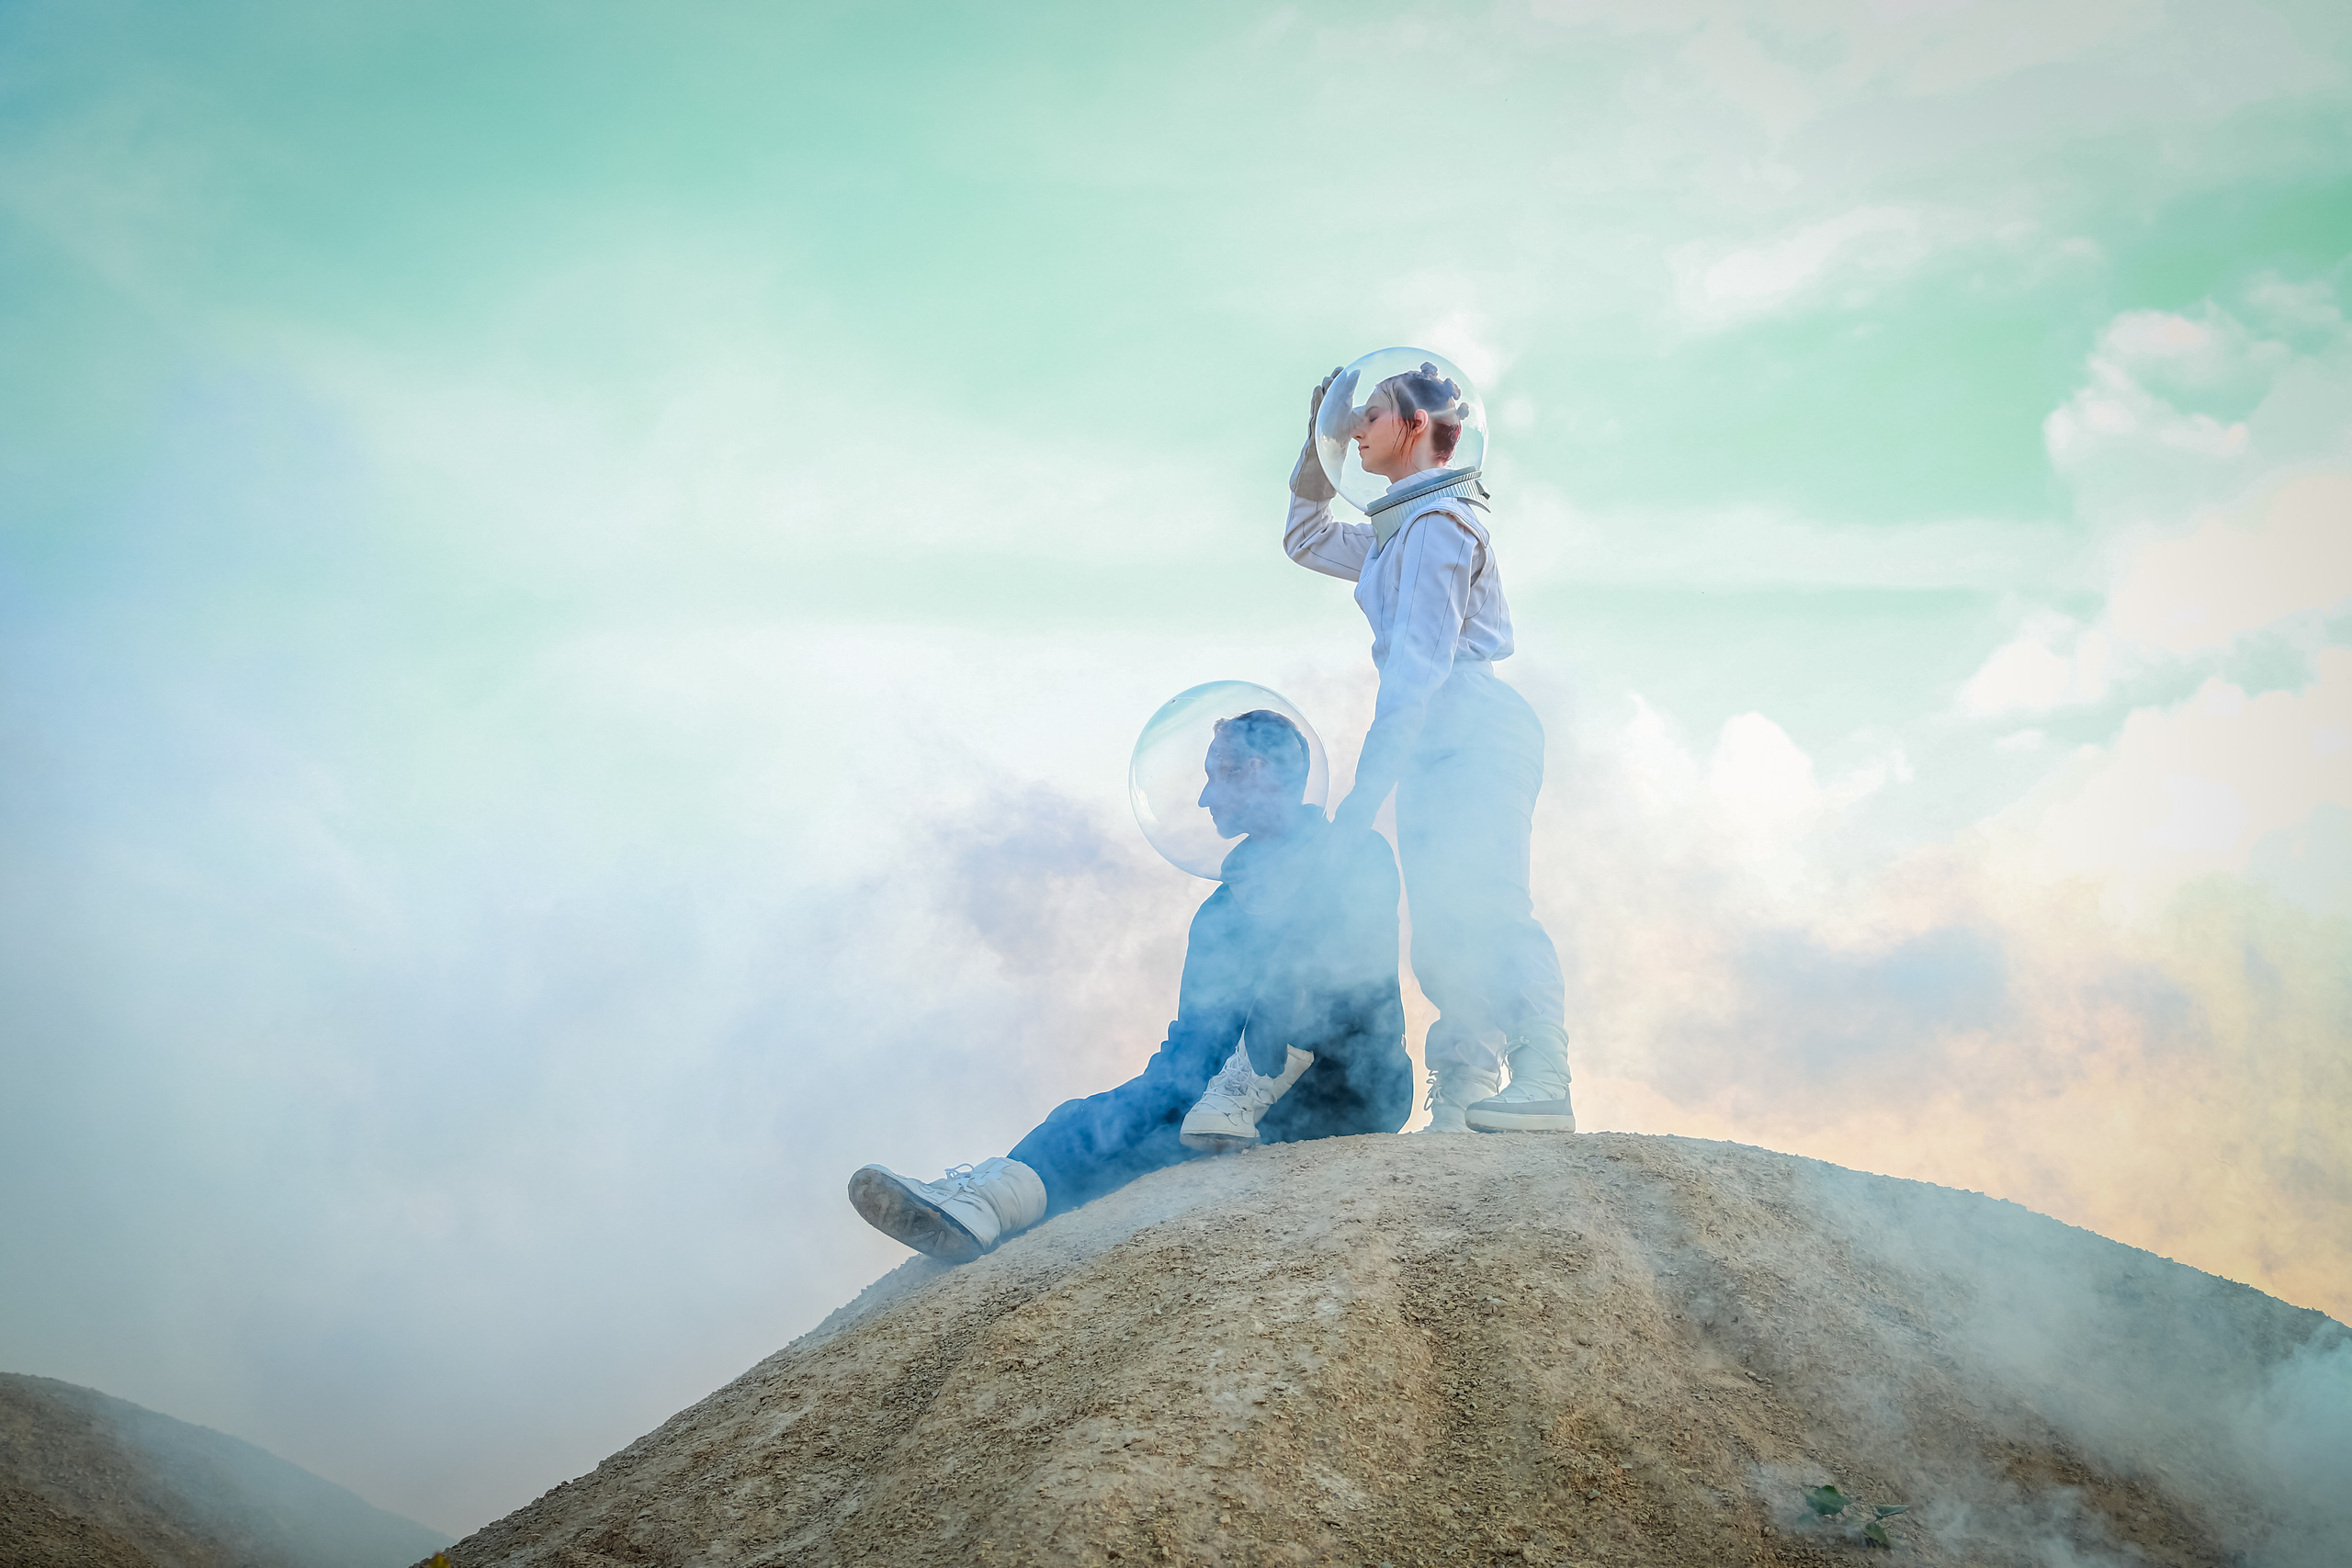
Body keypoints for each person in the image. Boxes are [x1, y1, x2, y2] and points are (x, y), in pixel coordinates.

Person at [847, 709, 1411, 1264]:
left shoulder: (1357, 855)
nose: (1204, 797)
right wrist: (1134, 1105)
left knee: (1163, 1150)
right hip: (1230, 1105)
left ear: (1259, 771)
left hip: (1346, 1095)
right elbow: (1191, 1050)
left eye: (1218, 773)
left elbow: (1347, 980)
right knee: (1123, 1120)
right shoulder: (1220, 912)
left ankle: (1004, 1200)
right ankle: (987, 1204)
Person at [1284, 361, 1576, 1134]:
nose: (1354, 430)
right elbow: (1305, 537)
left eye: (1368, 416)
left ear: (1415, 425)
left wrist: (1359, 801)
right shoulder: (1396, 531)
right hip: (1434, 742)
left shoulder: (1441, 525)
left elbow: (1415, 673)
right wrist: (1315, 454)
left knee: (1489, 906)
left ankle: (1544, 1071)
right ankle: (1469, 1086)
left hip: (1471, 726)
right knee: (1445, 924)